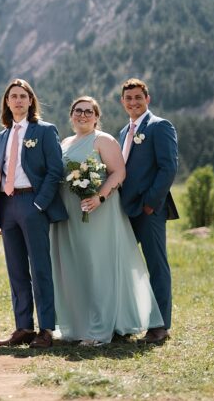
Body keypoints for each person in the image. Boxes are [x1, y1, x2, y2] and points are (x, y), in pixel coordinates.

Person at [51, 96, 164, 345]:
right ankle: (80, 324)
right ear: (71, 115)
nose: (83, 115)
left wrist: (98, 197)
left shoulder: (103, 140)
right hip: (71, 214)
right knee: (77, 266)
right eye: (78, 111)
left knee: (98, 266)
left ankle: (101, 328)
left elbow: (119, 172)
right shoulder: (65, 143)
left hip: (98, 211)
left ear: (96, 116)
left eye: (88, 111)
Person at [0, 78, 67, 350]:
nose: (18, 100)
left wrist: (40, 204)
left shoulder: (44, 131)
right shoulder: (2, 135)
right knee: (16, 271)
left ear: (31, 100)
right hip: (7, 205)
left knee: (40, 268)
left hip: (32, 203)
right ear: (7, 102)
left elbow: (55, 170)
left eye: (23, 96)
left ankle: (46, 329)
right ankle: (23, 327)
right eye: (13, 96)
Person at [118, 78, 179, 344]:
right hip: (124, 209)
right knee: (123, 266)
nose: (133, 102)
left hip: (149, 209)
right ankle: (126, 322)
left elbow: (168, 168)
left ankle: (159, 325)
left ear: (147, 99)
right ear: (123, 102)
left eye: (138, 97)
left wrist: (151, 203)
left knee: (156, 265)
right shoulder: (123, 132)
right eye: (128, 98)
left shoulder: (160, 126)